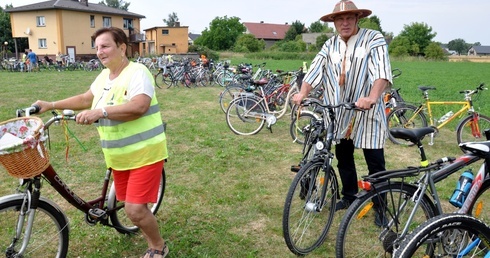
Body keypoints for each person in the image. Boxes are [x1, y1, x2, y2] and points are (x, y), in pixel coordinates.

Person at [33, 27, 169, 258]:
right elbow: (87, 98)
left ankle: (158, 247)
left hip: (145, 153)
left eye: (105, 46)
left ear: (122, 47)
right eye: (97, 47)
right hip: (119, 156)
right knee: (129, 205)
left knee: (135, 211)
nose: (99, 52)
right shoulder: (105, 76)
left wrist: (101, 112)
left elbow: (139, 106)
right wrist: (51, 104)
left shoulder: (138, 72)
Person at [292, 0, 393, 223]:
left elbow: (381, 70)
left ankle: (381, 207)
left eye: (349, 18)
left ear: (357, 19)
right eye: (340, 19)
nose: (344, 22)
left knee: (375, 161)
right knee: (343, 157)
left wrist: (372, 97)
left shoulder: (373, 38)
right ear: (334, 22)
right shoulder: (330, 45)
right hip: (339, 111)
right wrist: (302, 92)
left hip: (366, 110)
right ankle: (349, 196)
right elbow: (315, 70)